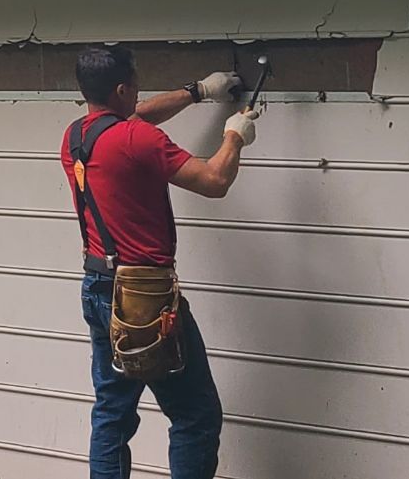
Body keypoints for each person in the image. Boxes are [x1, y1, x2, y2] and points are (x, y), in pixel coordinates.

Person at [58, 45, 259, 479]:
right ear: (121, 88)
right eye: (134, 86)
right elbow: (214, 180)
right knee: (195, 415)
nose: (139, 94)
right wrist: (235, 134)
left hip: (98, 289)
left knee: (112, 415)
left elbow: (135, 118)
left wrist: (198, 91)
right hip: (145, 299)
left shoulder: (77, 136)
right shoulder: (137, 139)